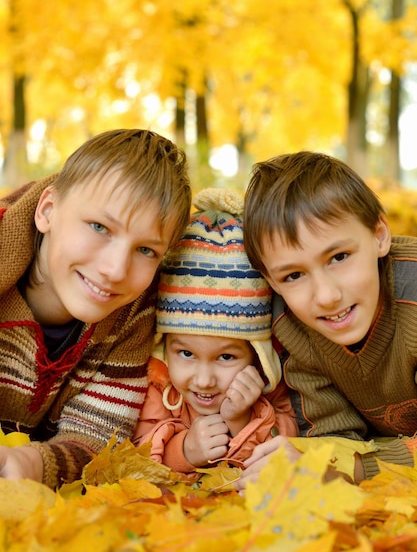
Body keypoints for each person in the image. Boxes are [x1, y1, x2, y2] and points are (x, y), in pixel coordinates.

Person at [0, 128, 191, 488]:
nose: (116, 270)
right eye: (99, 227)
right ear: (48, 211)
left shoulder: (133, 312)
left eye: (146, 250)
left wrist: (34, 463)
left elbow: (98, 435)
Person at [236, 149, 417, 490]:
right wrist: (310, 465)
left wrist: (352, 469)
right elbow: (334, 438)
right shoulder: (291, 325)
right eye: (293, 275)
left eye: (339, 257)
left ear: (379, 235)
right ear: (272, 281)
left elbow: (347, 462)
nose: (326, 296)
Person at [133, 188, 298, 475]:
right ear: (165, 346)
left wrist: (241, 420)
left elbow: (289, 440)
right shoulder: (157, 385)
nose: (205, 380)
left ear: (257, 354)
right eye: (186, 353)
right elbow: (132, 452)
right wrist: (183, 451)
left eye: (225, 357)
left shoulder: (267, 385)